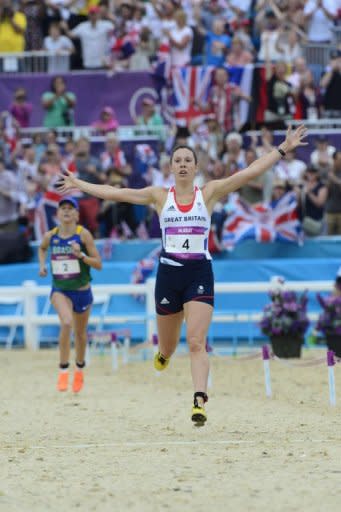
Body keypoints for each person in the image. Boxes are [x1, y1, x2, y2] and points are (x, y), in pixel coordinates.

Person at [57, 125, 307, 423]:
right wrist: (79, 184)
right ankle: (163, 354)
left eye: (189, 160)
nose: (184, 164)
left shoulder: (209, 193)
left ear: (196, 166)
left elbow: (248, 173)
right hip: (169, 275)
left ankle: (199, 400)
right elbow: (117, 193)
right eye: (179, 161)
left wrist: (282, 149)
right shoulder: (159, 196)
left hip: (199, 272)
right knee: (168, 346)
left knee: (197, 341)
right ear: (171, 167)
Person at [38, 197, 102, 393]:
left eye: (70, 208)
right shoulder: (51, 236)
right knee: (66, 322)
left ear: (76, 214)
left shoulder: (84, 236)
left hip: (82, 290)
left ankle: (79, 368)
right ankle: (63, 370)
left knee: (81, 335)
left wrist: (81, 256)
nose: (66, 211)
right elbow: (41, 248)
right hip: (60, 289)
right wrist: (42, 265)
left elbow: (98, 264)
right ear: (57, 214)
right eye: (62, 208)